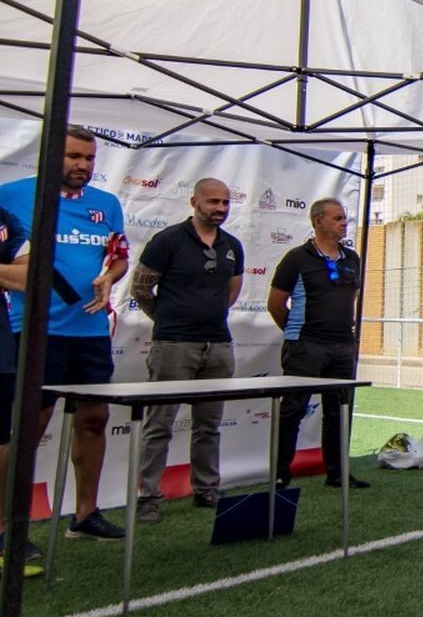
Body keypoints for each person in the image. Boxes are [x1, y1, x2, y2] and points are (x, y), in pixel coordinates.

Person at [0, 126, 128, 541]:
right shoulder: (13, 195)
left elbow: (119, 256)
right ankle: (8, 527)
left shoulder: (106, 203)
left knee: (94, 419)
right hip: (36, 331)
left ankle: (85, 515)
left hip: (90, 331)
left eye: (89, 159)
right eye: (74, 156)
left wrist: (110, 276)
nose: (82, 166)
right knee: (27, 428)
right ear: (52, 154)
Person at [129, 177, 245, 523]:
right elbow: (141, 289)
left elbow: (231, 291)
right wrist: (168, 319)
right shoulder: (167, 241)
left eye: (225, 202)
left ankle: (206, 488)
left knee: (209, 424)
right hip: (174, 344)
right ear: (193, 202)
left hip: (218, 344)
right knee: (159, 424)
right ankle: (148, 496)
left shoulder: (232, 246)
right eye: (213, 202)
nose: (220, 209)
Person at [267, 198, 368, 491]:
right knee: (293, 410)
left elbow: (350, 298)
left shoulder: (352, 258)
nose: (343, 222)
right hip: (306, 344)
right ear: (318, 221)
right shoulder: (297, 258)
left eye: (344, 218)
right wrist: (295, 333)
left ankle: (337, 473)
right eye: (337, 218)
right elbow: (275, 304)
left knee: (339, 410)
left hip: (341, 345)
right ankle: (280, 473)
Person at [0, 198, 35, 574]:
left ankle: (3, 531)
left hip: (2, 344)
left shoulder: (5, 217)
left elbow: (28, 277)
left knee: (4, 441)